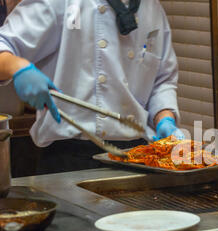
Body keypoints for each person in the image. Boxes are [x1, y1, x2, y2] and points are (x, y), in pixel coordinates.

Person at [0, 0, 184, 175]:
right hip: (68, 158)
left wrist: (164, 119)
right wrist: (19, 69)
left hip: (137, 156)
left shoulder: (152, 8)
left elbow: (162, 80)